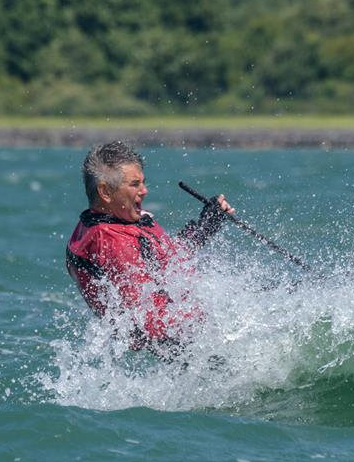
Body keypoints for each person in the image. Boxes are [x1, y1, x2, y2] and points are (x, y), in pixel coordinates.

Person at [66, 141, 235, 359]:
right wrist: (219, 330)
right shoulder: (112, 242)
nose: (144, 191)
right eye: (134, 184)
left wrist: (205, 225)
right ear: (105, 192)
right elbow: (149, 321)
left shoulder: (119, 220)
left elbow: (169, 259)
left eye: (143, 182)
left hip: (184, 334)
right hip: (184, 350)